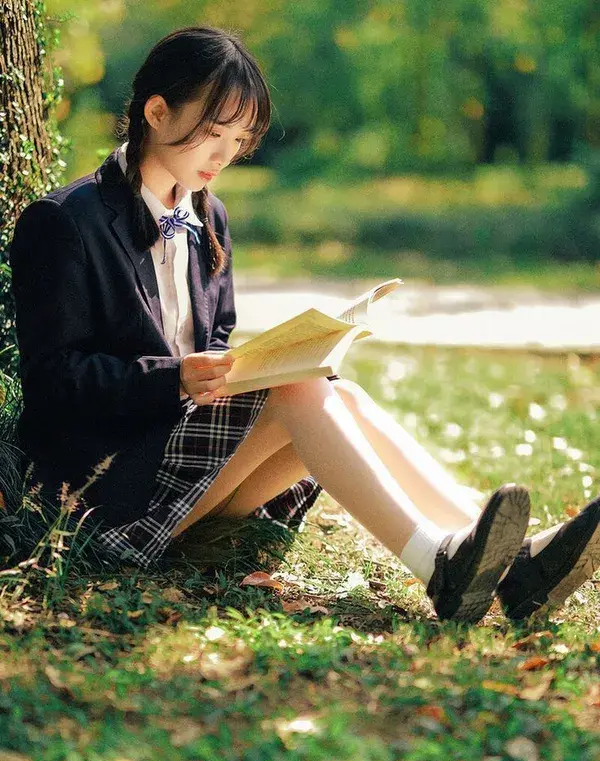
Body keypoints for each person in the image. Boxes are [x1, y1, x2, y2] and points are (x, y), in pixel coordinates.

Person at [9, 26, 600, 625]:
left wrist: (247, 363)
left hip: (189, 465)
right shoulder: (64, 222)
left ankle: (504, 559)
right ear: (156, 112)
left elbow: (216, 337)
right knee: (303, 388)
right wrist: (175, 378)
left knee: (343, 391)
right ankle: (439, 565)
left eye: (239, 140)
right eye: (214, 135)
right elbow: (53, 381)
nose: (225, 157)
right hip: (102, 493)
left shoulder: (207, 213)